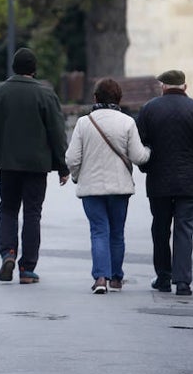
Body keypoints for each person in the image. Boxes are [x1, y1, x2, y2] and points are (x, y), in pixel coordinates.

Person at [0, 47, 71, 284]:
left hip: (7, 164)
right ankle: (27, 268)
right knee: (32, 213)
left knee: (8, 209)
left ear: (13, 68)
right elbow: (57, 133)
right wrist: (63, 166)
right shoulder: (46, 95)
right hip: (37, 166)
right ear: (34, 69)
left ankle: (8, 253)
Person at [135, 69, 193, 296]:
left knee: (160, 229)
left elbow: (139, 145)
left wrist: (146, 167)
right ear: (185, 87)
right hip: (190, 181)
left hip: (159, 181)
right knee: (184, 229)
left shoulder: (149, 109)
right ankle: (183, 282)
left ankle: (163, 277)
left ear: (163, 87)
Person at [64, 78, 151, 294]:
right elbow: (139, 157)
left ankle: (100, 278)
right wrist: (150, 151)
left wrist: (77, 176)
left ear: (95, 98)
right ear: (119, 99)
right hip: (120, 188)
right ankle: (116, 278)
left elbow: (72, 159)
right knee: (117, 233)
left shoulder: (84, 123)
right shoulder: (127, 122)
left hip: (91, 189)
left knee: (98, 231)